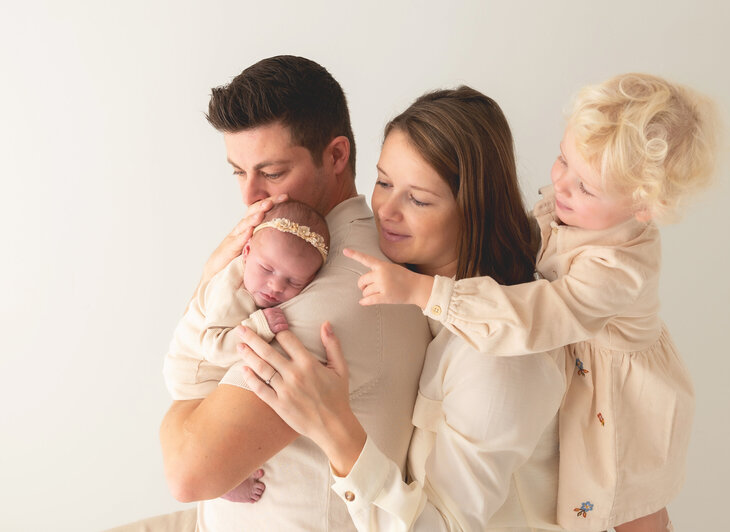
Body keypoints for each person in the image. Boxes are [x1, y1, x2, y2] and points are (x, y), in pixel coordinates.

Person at [311, 74, 718, 532]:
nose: (561, 185)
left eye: (420, 199)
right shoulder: (561, 214)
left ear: (643, 206)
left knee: (629, 505)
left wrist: (423, 294)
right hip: (565, 353)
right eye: (383, 181)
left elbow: (539, 315)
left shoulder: (610, 276)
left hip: (621, 397)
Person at [110, 55, 429, 531]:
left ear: (337, 156)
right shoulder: (292, 256)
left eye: (272, 173)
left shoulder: (343, 290)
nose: (249, 196)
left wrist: (204, 292)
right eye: (238, 172)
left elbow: (187, 471)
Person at [238, 86, 567, 530]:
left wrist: (338, 431)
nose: (385, 211)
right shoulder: (407, 292)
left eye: (418, 199)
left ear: (474, 209)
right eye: (384, 182)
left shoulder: (499, 358)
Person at [163, 199, 329, 503]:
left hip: (204, 358)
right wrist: (259, 326)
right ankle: (225, 484)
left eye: (294, 281)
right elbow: (214, 347)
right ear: (247, 252)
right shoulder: (232, 290)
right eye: (267, 269)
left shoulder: (261, 278)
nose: (275, 286)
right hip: (195, 371)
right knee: (214, 438)